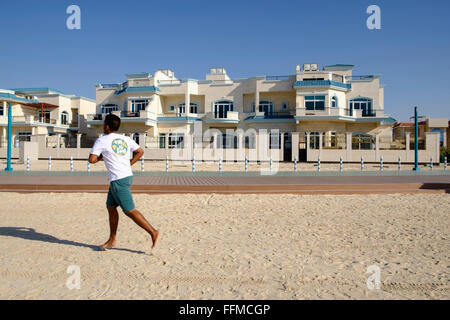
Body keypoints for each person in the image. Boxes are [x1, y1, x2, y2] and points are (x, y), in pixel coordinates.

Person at [88, 114, 160, 251]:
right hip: (126, 176)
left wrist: (101, 156)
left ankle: (153, 232)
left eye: (104, 124)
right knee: (110, 207)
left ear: (107, 126)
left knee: (129, 210)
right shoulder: (126, 139)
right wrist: (129, 163)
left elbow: (92, 159)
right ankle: (112, 239)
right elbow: (140, 151)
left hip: (118, 180)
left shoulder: (102, 140)